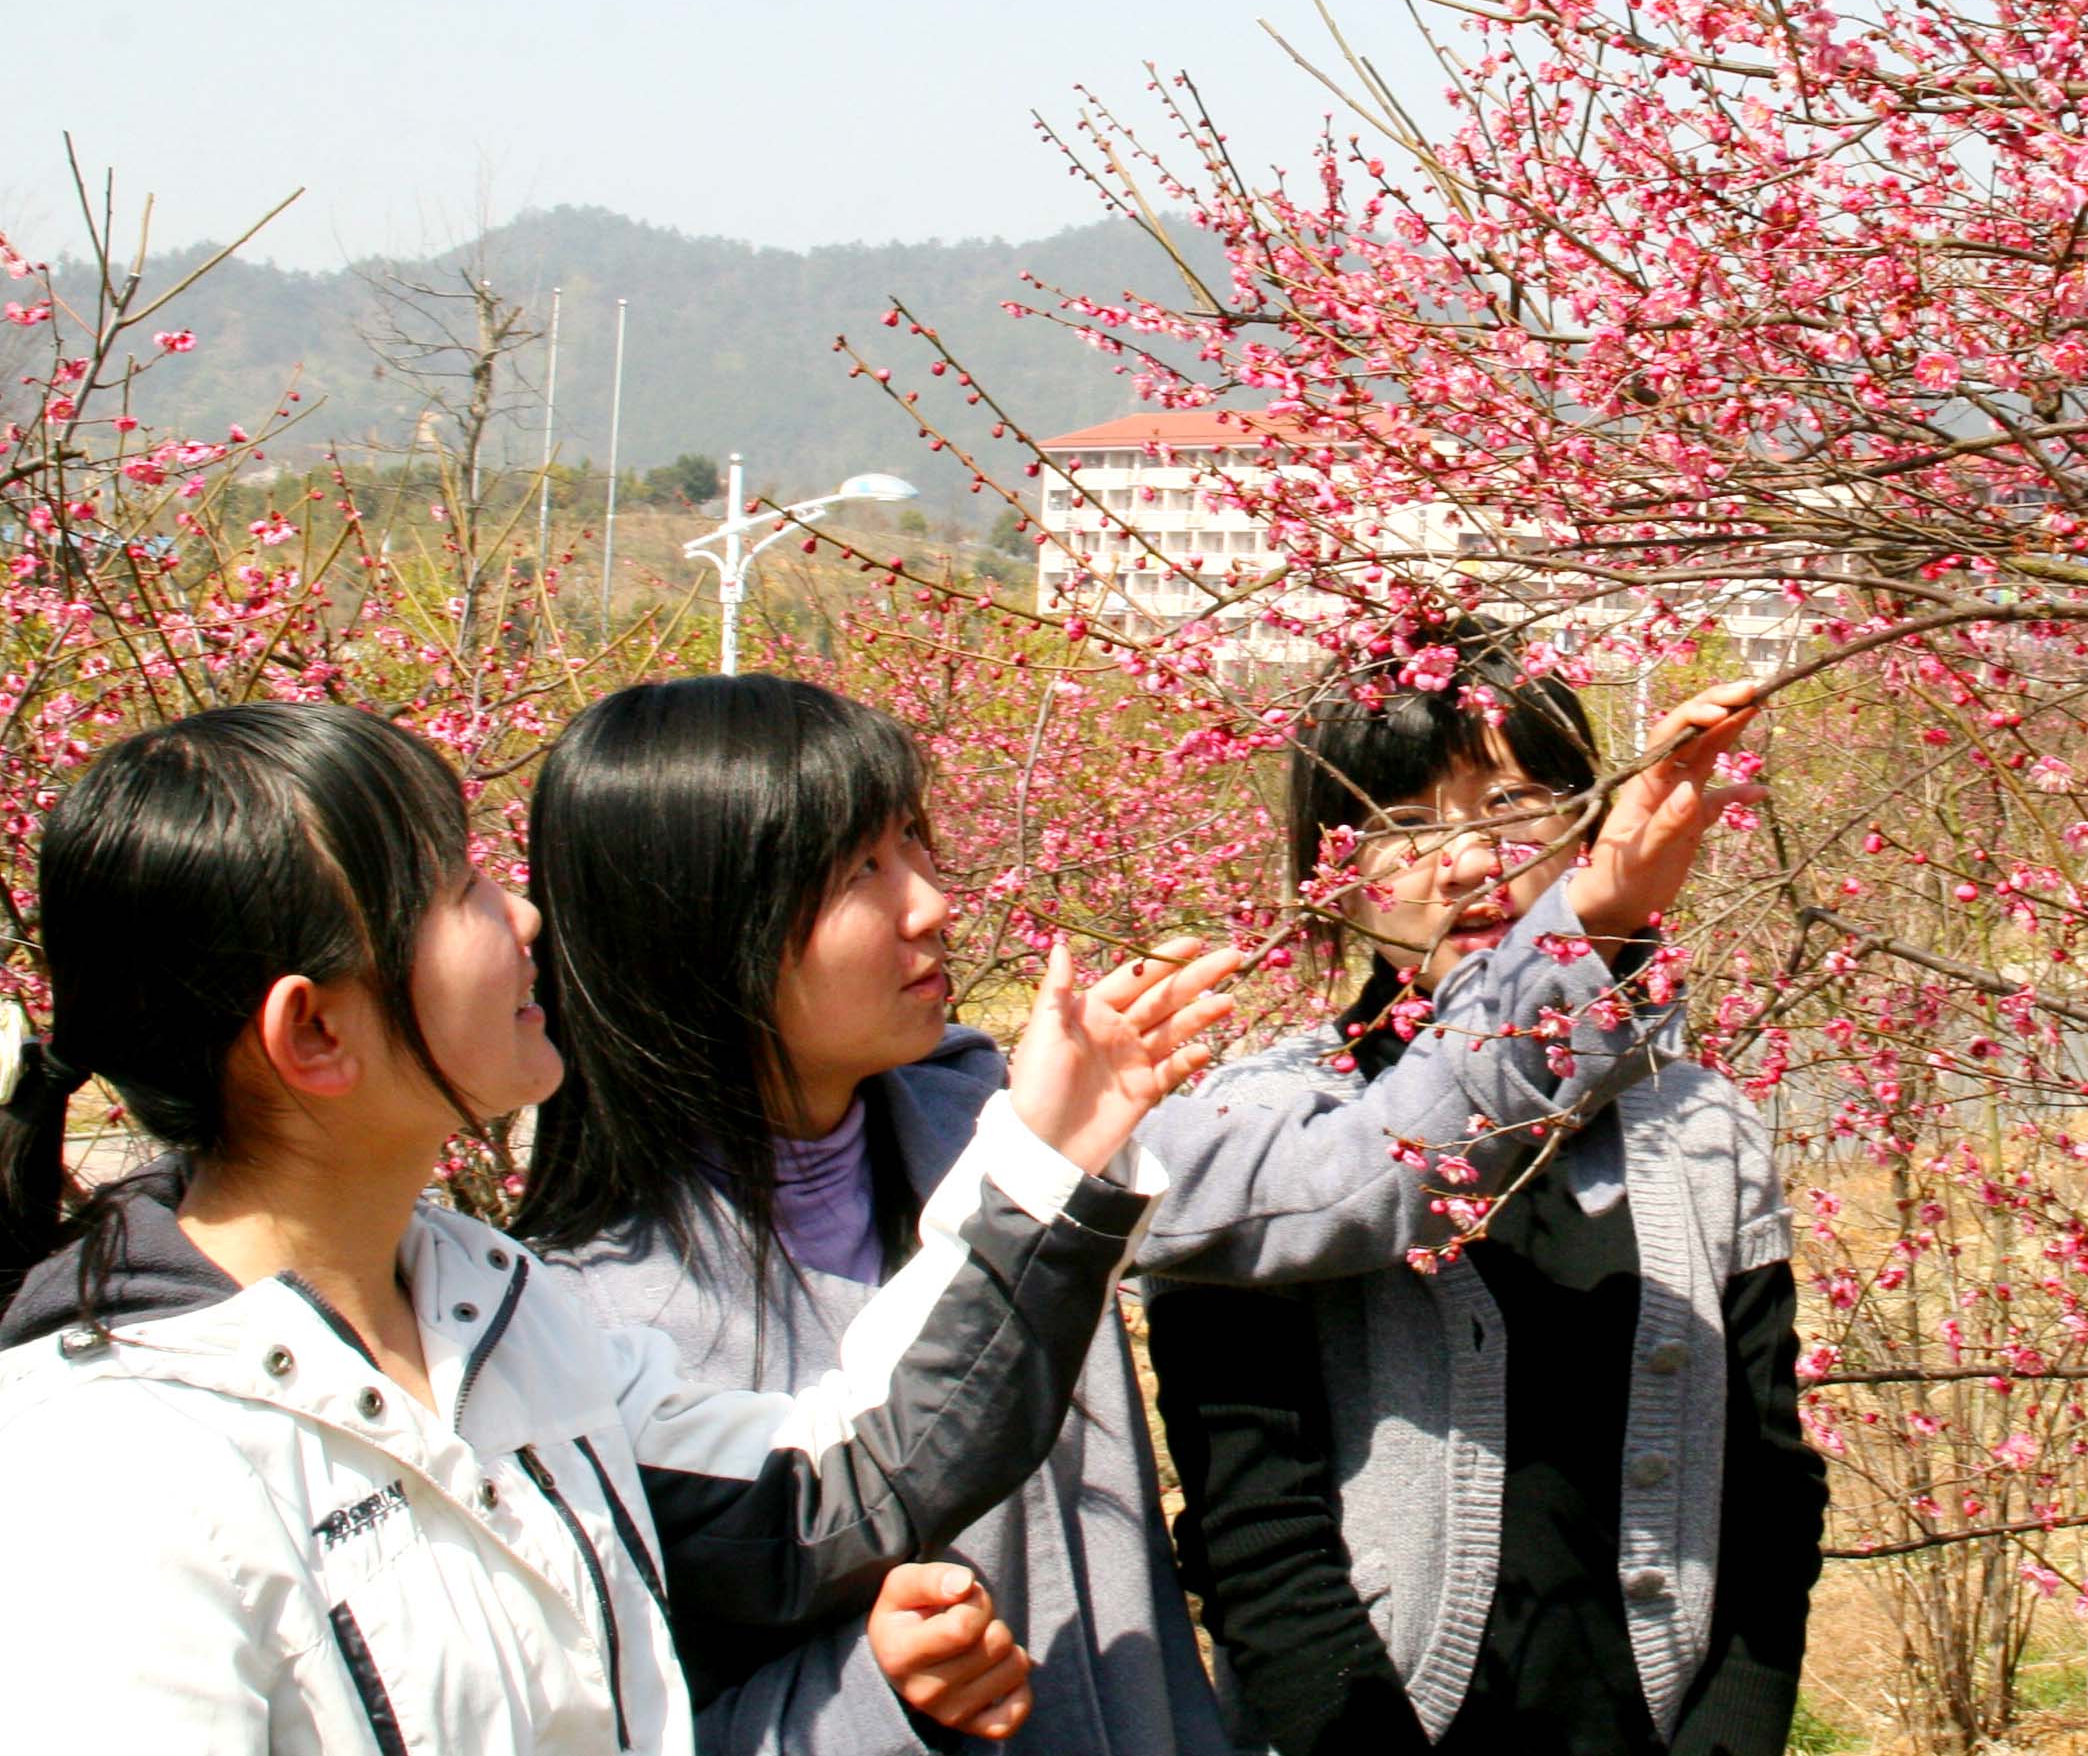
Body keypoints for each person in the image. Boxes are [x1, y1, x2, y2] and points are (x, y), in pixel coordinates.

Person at [0, 701, 1234, 1753]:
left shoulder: (507, 1323)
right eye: (460, 889)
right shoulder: (110, 1473)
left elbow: (835, 1486)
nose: (527, 920)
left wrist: (1043, 1160)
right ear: (315, 1032)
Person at [514, 675, 1247, 1754]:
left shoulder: (989, 1122)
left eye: (914, 841)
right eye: (860, 868)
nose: (931, 904)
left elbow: (1311, 1183)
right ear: (696, 923)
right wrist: (877, 1693)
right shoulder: (591, 1334)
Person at [1140, 631, 1828, 1756]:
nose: (1466, 862)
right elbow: (1253, 1533)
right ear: (1331, 872)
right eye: (1403, 824)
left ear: (1589, 825)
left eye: (1511, 806)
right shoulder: (1259, 1134)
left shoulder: (1700, 1129)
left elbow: (1767, 1491)